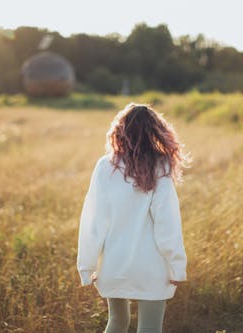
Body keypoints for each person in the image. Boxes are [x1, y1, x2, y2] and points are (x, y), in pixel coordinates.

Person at [77, 103, 191, 333]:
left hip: (114, 266)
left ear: (121, 130)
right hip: (153, 269)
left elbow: (93, 222)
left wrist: (86, 266)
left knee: (116, 322)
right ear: (155, 131)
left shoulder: (104, 165)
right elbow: (166, 223)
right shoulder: (161, 165)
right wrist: (177, 266)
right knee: (150, 328)